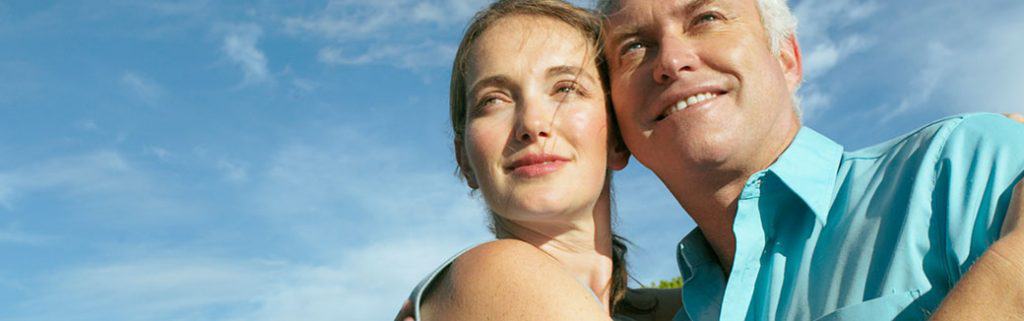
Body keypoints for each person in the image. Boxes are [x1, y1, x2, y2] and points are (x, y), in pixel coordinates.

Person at [597, 0, 1024, 320]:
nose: (671, 61)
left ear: (786, 59)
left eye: (706, 18)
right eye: (634, 47)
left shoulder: (964, 164)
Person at [401, 1, 679, 321]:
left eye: (565, 88)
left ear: (617, 138)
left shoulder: (697, 305)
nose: (532, 124)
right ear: (464, 159)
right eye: (493, 100)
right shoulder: (491, 273)